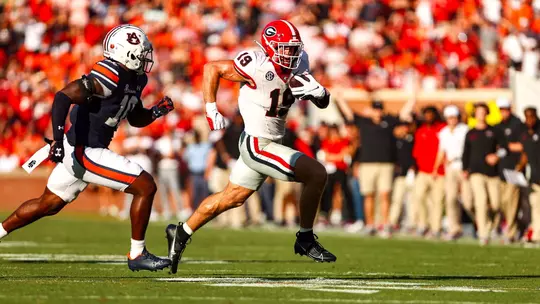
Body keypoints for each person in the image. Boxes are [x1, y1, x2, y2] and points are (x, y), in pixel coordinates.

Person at [165, 20, 335, 274]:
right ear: (268, 47)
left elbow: (321, 103)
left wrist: (320, 93)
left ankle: (181, 231)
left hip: (271, 143)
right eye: (284, 48)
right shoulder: (255, 63)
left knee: (230, 198)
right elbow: (212, 68)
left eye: (293, 48)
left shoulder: (301, 62)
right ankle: (306, 238)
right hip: (257, 144)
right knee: (317, 173)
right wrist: (211, 108)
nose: (290, 54)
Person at [0, 25, 174, 271]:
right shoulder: (110, 73)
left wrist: (155, 112)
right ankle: (137, 255)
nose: (147, 58)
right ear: (128, 54)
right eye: (142, 53)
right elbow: (63, 96)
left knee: (47, 204)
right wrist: (58, 141)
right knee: (145, 186)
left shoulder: (137, 78)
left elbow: (135, 118)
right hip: (84, 149)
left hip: (87, 148)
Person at [335, 96, 414, 236]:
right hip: (367, 164)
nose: (377, 112)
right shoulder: (364, 122)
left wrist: (413, 98)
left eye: (379, 109)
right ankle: (370, 224)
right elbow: (348, 113)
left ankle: (384, 225)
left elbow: (403, 114)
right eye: (375, 109)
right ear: (372, 110)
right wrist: (340, 97)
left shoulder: (389, 122)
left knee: (384, 195)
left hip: (386, 164)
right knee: (369, 195)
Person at [462, 103, 504, 245]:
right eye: (478, 112)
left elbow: (504, 149)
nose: (481, 114)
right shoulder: (470, 133)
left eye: (483, 112)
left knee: (496, 204)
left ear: (487, 113)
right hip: (475, 172)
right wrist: (465, 169)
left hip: (492, 174)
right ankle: (483, 233)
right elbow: (465, 153)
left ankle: (493, 226)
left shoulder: (494, 131)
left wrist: (496, 156)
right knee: (480, 201)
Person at [433, 105, 472, 240]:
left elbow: (468, 151)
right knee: (451, 199)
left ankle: (480, 225)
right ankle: (454, 228)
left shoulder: (465, 130)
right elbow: (441, 151)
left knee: (468, 201)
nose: (452, 120)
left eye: (454, 117)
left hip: (463, 168)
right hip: (450, 169)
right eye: (450, 117)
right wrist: (435, 168)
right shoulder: (443, 132)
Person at [493, 98, 525, 243]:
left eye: (505, 109)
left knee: (511, 202)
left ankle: (511, 232)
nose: (503, 112)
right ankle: (509, 227)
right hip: (501, 169)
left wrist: (509, 146)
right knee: (501, 202)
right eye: (501, 109)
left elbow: (523, 145)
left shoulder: (517, 124)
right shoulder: (497, 126)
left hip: (514, 168)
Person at [413, 106, 446, 238]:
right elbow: (416, 152)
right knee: (419, 196)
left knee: (437, 201)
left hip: (439, 172)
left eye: (430, 114)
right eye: (426, 114)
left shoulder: (442, 129)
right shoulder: (420, 131)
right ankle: (422, 224)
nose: (428, 117)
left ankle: (436, 227)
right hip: (423, 171)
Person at [517, 107, 540, 245]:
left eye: (532, 117)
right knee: (535, 207)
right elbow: (525, 153)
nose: (529, 120)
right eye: (527, 117)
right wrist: (520, 166)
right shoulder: (525, 134)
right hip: (534, 178)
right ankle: (537, 235)